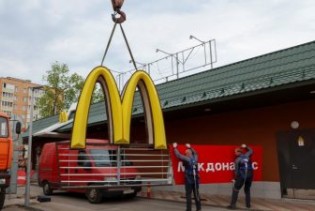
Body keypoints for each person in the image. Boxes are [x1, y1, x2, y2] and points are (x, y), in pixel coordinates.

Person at [173, 142, 201, 211]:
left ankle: (189, 209)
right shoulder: (195, 158)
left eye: (185, 153)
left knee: (188, 195)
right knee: (196, 194)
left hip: (189, 179)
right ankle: (199, 208)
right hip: (195, 179)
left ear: (188, 154)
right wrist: (190, 147)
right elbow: (196, 153)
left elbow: (178, 155)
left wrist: (175, 148)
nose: (185, 154)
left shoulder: (187, 159)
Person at [227, 144, 253, 210]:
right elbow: (251, 150)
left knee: (235, 189)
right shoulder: (247, 155)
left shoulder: (237, 160)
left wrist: (235, 179)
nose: (234, 153)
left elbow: (236, 171)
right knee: (247, 190)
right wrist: (246, 146)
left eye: (235, 152)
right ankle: (248, 205)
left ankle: (233, 205)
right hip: (250, 176)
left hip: (242, 176)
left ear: (239, 152)